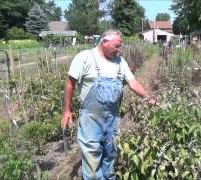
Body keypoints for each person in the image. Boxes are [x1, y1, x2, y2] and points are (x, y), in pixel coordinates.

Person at [61, 29, 157, 179]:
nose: (119, 50)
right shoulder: (85, 58)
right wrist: (67, 110)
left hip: (113, 117)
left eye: (120, 47)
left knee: (111, 155)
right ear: (104, 42)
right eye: (116, 46)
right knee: (92, 158)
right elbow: (69, 84)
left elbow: (132, 82)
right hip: (90, 118)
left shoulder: (120, 61)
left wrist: (149, 97)